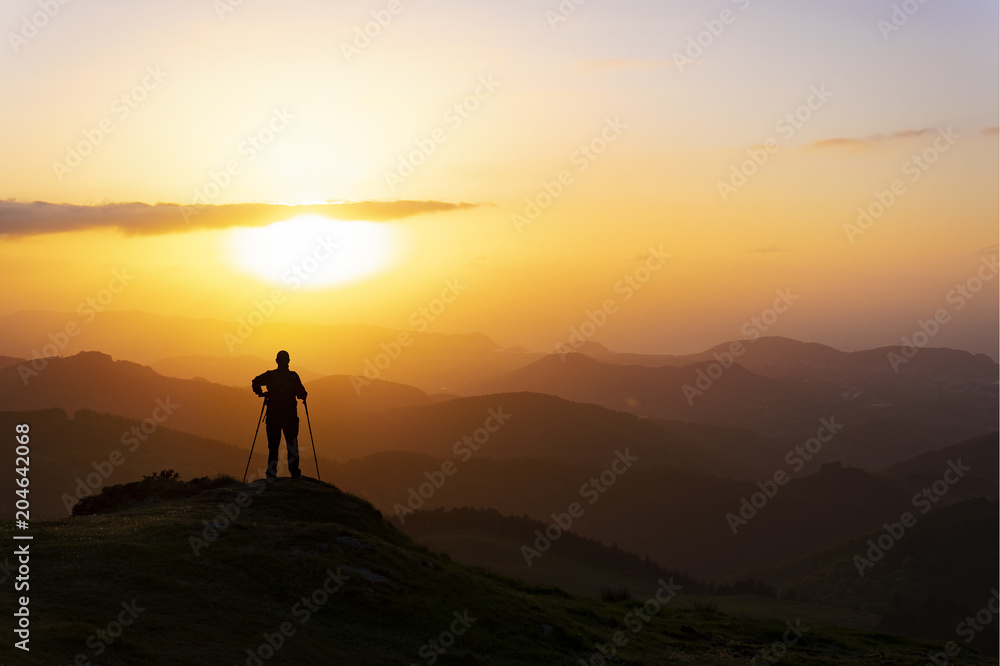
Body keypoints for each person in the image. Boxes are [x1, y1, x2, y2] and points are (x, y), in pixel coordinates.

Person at [252, 350, 308, 482]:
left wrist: (262, 394)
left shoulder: (271, 376)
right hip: (290, 417)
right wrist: (302, 397)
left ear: (276, 361)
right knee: (292, 445)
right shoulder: (293, 377)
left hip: (273, 416)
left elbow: (255, 381)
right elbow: (302, 393)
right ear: (289, 361)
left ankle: (271, 475)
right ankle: (294, 473)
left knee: (273, 446)